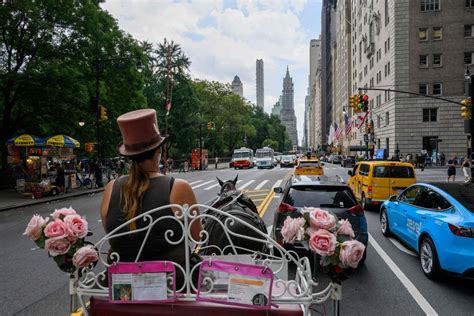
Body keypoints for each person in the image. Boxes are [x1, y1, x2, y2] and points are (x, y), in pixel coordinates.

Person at [100, 108, 201, 287]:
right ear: (159, 150)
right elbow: (198, 236)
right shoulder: (177, 187)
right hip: (173, 284)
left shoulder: (111, 188)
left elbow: (113, 235)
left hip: (122, 285)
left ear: (129, 156)